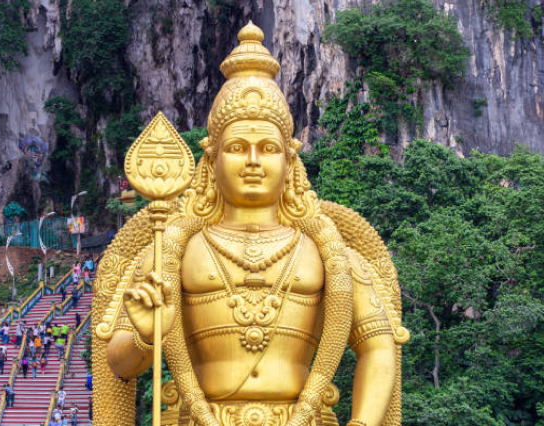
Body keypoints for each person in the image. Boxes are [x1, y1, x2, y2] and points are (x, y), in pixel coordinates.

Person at [97, 22, 407, 426]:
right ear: (212, 159)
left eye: (269, 148)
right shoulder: (170, 251)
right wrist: (143, 335)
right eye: (238, 148)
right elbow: (119, 365)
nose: (254, 161)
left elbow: (378, 346)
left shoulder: (328, 252)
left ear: (290, 160)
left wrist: (362, 424)